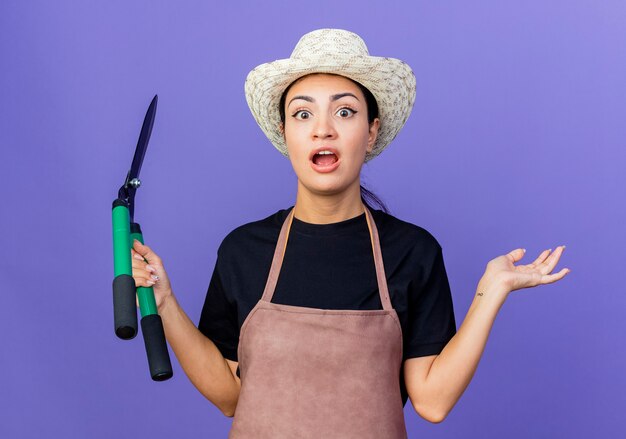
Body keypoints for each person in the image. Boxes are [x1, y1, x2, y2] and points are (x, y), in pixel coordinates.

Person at [130, 29, 570, 438]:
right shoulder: (243, 250)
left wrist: (489, 293)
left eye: (345, 111)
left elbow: (432, 402)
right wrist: (164, 302)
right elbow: (229, 394)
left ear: (372, 131)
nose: (323, 128)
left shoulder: (412, 252)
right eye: (302, 113)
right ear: (286, 132)